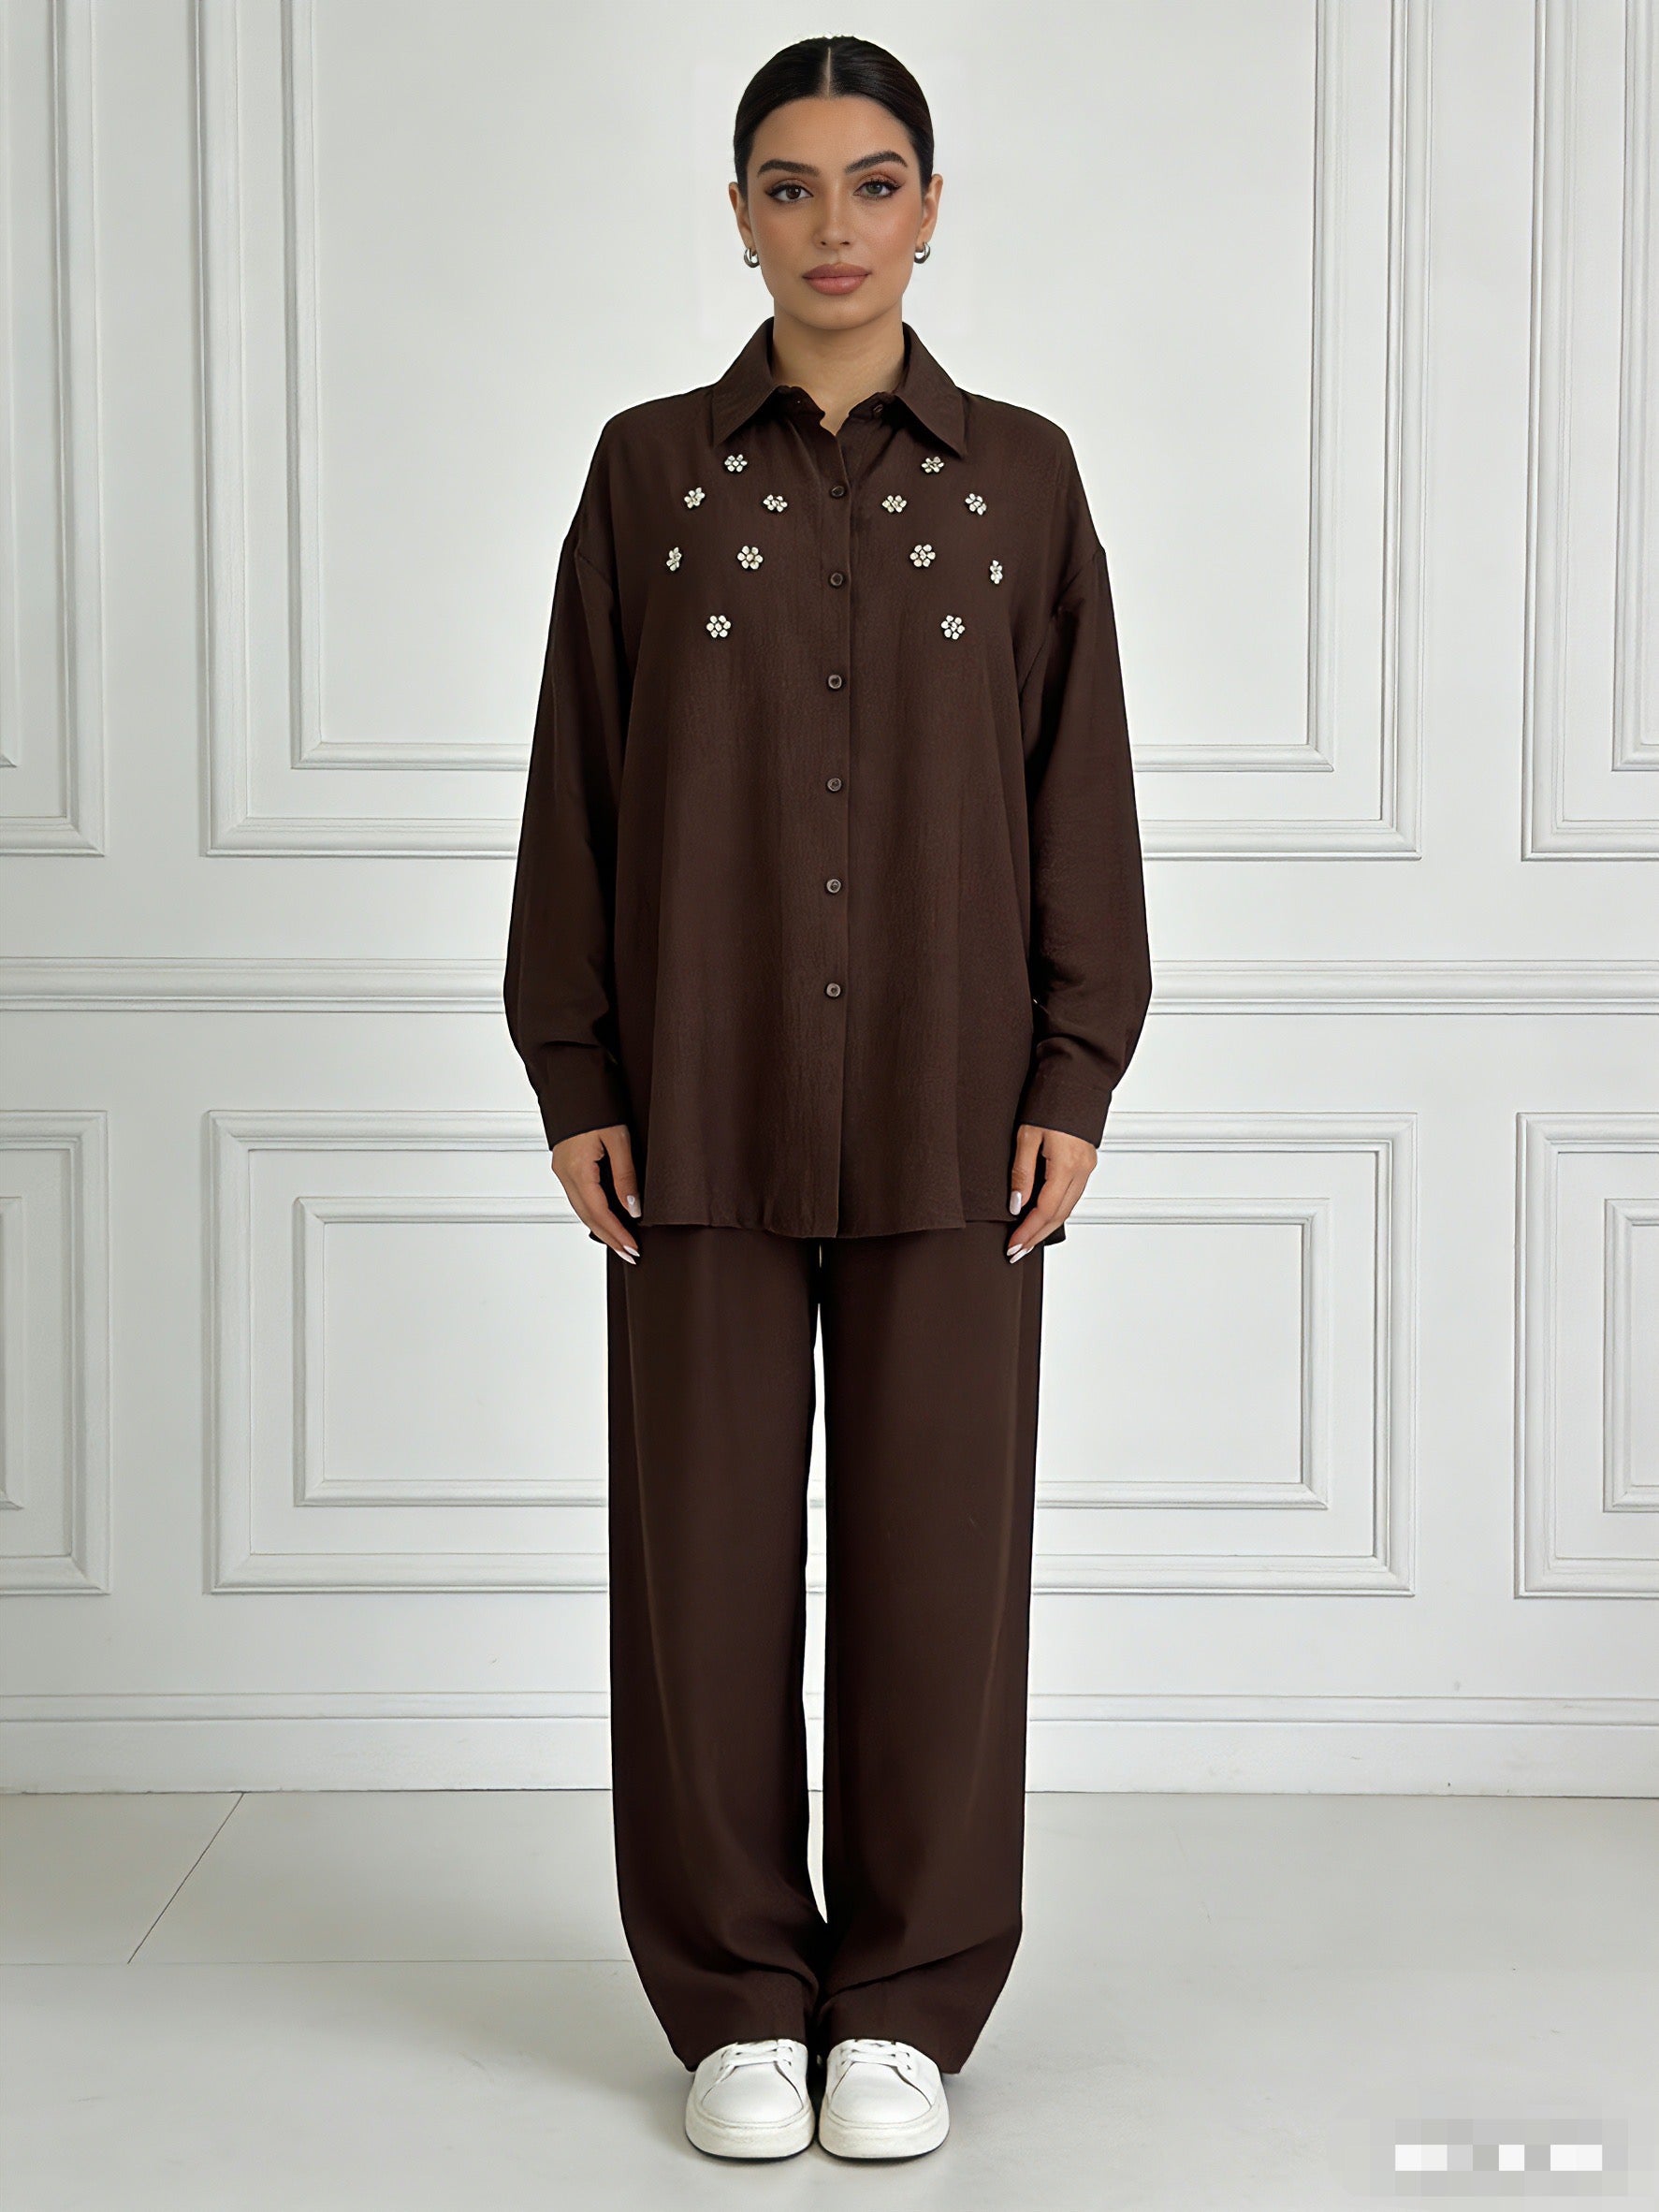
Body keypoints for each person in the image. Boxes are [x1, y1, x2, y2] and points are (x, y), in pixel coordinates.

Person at [504, 33, 1152, 2164]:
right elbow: (579, 788)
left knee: (936, 1568)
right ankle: (732, 2003)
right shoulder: (646, 473)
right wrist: (575, 1066)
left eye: (874, 184)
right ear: (738, 216)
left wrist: (1073, 1065)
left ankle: (900, 2005)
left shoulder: (1024, 479)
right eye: (788, 187)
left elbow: (1077, 794)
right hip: (696, 1096)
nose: (834, 226)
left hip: (958, 1113)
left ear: (931, 209)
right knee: (698, 1570)